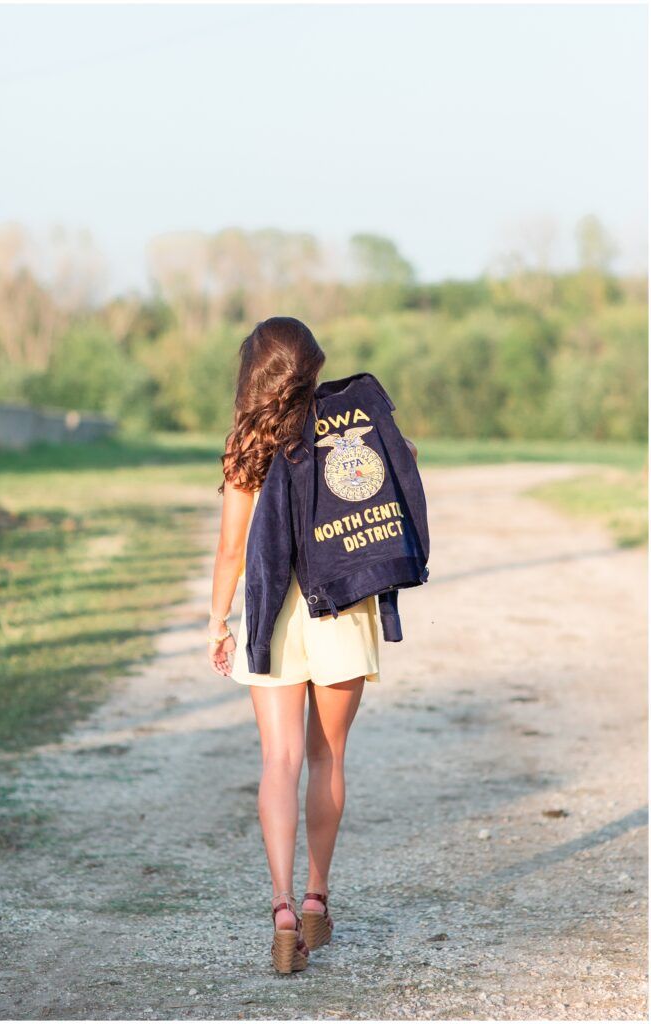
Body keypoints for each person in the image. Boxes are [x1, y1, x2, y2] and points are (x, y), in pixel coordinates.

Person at [207, 316, 417, 973]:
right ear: (314, 368)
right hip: (341, 611)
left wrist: (218, 620)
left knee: (280, 762)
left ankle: (280, 910)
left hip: (272, 615)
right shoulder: (342, 427)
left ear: (255, 374)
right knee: (328, 759)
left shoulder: (246, 443)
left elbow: (231, 548)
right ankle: (317, 897)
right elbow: (399, 471)